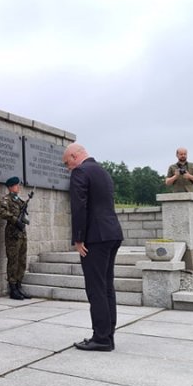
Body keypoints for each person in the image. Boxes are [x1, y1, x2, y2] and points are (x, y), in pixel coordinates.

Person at [62, 143, 123, 351]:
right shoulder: (102, 171)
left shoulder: (80, 171)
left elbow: (79, 207)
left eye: (66, 162)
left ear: (74, 155)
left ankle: (101, 338)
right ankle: (108, 335)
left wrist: (78, 238)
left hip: (95, 237)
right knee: (106, 287)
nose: (67, 167)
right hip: (112, 233)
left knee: (96, 288)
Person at [0, 176, 31, 300]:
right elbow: (1, 212)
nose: (19, 187)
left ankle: (19, 286)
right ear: (11, 187)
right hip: (13, 235)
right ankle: (13, 289)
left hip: (22, 234)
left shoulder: (20, 201)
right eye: (17, 185)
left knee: (22, 260)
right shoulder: (6, 200)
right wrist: (15, 220)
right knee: (13, 261)